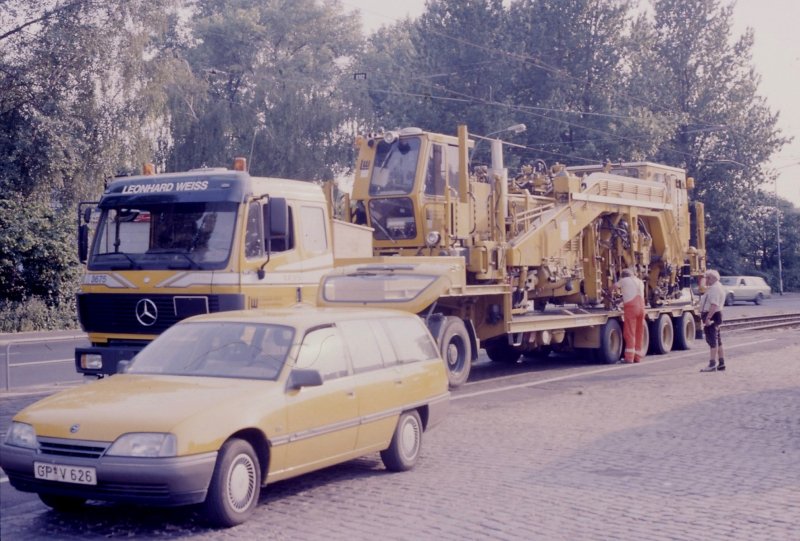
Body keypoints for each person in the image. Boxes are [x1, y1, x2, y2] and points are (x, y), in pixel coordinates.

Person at [614, 268, 646, 363]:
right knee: (639, 332)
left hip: (632, 308)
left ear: (624, 275)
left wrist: (609, 291)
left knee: (630, 332)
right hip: (642, 308)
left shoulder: (624, 280)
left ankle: (629, 358)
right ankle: (637, 357)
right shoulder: (640, 281)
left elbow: (615, 287)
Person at [699, 269, 726, 372]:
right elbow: (702, 288)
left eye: (708, 278)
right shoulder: (718, 287)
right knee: (718, 340)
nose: (707, 280)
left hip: (712, 315)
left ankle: (712, 364)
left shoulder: (715, 289)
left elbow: (714, 305)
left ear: (713, 278)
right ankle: (721, 363)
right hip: (717, 315)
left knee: (712, 341)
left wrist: (708, 318)